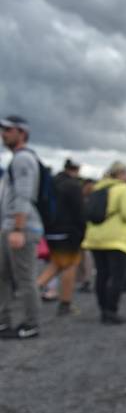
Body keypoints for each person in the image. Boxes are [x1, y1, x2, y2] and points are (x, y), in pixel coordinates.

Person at [81, 161, 126, 324]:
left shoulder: (98, 188)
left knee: (102, 274)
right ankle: (111, 311)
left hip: (95, 238)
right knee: (117, 277)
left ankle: (103, 309)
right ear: (121, 174)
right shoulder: (123, 189)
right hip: (117, 239)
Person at [0, 116, 44, 339]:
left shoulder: (23, 159)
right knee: (4, 276)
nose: (3, 133)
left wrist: (18, 228)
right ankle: (4, 321)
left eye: (8, 129)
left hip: (22, 227)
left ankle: (31, 323)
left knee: (24, 278)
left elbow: (24, 195)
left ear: (21, 133)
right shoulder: (17, 159)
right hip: (12, 225)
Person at [36, 158, 86, 316]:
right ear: (76, 169)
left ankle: (30, 292)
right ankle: (65, 303)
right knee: (69, 265)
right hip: (68, 232)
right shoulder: (73, 185)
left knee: (56, 265)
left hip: (50, 230)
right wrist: (82, 231)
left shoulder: (52, 182)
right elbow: (79, 211)